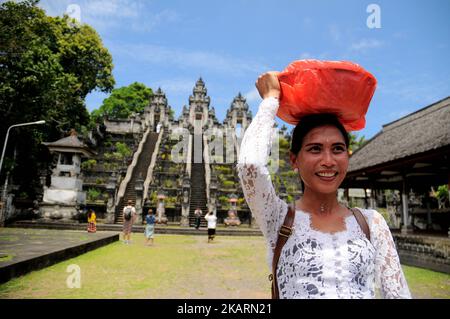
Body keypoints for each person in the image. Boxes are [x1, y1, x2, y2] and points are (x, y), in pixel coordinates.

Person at [237, 71, 411, 299]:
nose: (328, 161)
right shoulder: (277, 217)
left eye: (337, 149)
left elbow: (397, 295)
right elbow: (250, 166)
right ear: (294, 160)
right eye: (315, 149)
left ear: (347, 156)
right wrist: (270, 100)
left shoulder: (371, 223)